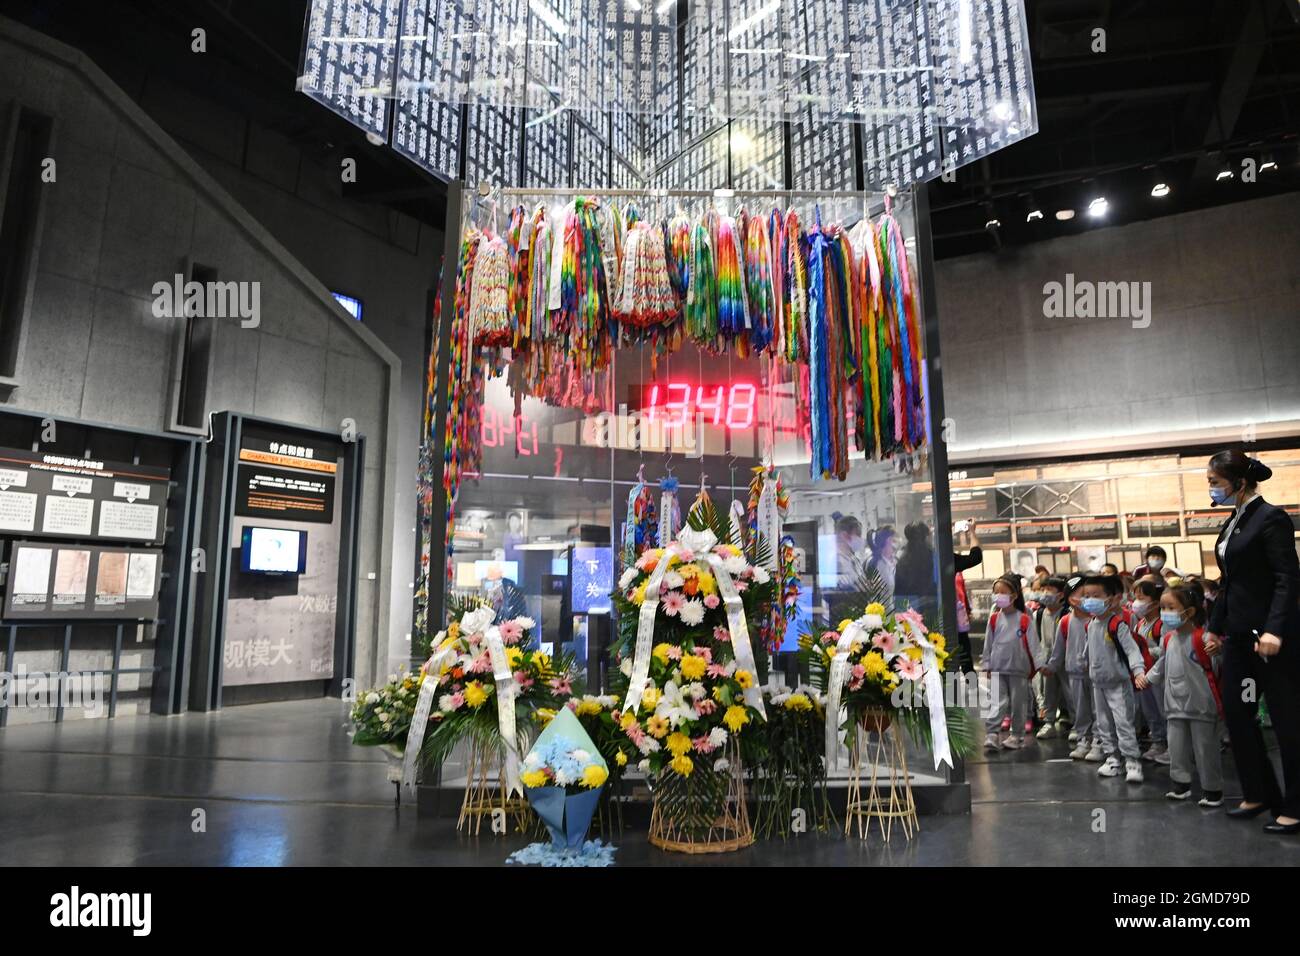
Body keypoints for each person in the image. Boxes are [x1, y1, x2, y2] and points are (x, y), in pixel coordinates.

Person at [1203, 449, 1300, 834]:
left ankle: (1295, 805)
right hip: (1241, 641)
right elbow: (1230, 583)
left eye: (1215, 482)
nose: (1211, 489)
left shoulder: (1270, 518)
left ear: (1239, 483)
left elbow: (1287, 578)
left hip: (1273, 641)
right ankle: (1258, 792)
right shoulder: (1232, 523)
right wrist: (1214, 625)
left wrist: (1276, 628)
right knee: (1240, 714)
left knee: (1287, 722)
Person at [1147, 582, 1223, 807]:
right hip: (1174, 705)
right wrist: (1147, 678)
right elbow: (1162, 663)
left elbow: (1217, 668)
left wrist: (1218, 651)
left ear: (1189, 612)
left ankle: (1212, 789)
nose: (1165, 613)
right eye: (1162, 608)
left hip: (1201, 705)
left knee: (1205, 749)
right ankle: (1180, 784)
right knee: (1177, 748)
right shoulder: (1169, 638)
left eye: (1170, 607)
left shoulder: (1204, 638)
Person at [1079, 574, 1148, 783]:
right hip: (1098, 683)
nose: (1090, 599)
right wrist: (1084, 662)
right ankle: (1112, 759)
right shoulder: (1091, 624)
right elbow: (1088, 649)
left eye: (1096, 595)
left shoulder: (1117, 624)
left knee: (1123, 723)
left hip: (1118, 684)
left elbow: (1132, 651)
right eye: (1087, 595)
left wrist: (1138, 671)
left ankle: (1132, 762)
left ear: (1111, 598)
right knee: (1103, 723)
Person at [1043, 575, 1102, 760]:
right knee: (1080, 710)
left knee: (1097, 710)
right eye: (1083, 594)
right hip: (1074, 674)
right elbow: (1058, 649)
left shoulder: (1097, 620)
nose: (1087, 598)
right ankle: (1084, 740)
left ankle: (1099, 743)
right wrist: (1052, 666)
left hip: (1096, 674)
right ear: (1070, 598)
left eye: (1090, 594)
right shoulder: (1066, 621)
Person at [981, 574, 1042, 751]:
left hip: (1019, 670)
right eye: (996, 592)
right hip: (998, 668)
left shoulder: (1024, 619)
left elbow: (1034, 645)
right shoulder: (994, 619)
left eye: (1003, 592)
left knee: (1018, 703)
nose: (998, 595)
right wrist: (986, 664)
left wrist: (1040, 665)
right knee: (997, 701)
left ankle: (1017, 735)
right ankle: (992, 733)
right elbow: (988, 644)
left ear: (1014, 595)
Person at [1130, 579, 1169, 764]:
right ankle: (1158, 741)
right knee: (1150, 711)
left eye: (1141, 598)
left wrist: (1146, 652)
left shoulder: (1161, 624)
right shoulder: (1140, 624)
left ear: (1154, 601)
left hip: (1160, 676)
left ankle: (1171, 745)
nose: (1136, 602)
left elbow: (1165, 650)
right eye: (1135, 597)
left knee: (1164, 710)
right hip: (1144, 676)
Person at [1034, 576, 1073, 738]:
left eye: (1050, 590)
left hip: (1065, 660)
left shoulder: (1067, 614)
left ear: (1061, 595)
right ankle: (1048, 722)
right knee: (1048, 692)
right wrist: (1041, 662)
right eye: (1043, 590)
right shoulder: (1040, 614)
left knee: (1070, 693)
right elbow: (1038, 639)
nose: (1045, 593)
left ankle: (1077, 723)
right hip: (1046, 660)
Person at [953, 523, 983, 674]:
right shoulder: (947, 561)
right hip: (950, 617)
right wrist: (972, 531)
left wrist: (967, 609)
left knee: (965, 652)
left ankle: (971, 685)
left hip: (959, 616)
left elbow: (961, 591)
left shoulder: (957, 570)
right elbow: (975, 557)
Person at [894, 522, 937, 619]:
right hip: (929, 607)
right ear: (926, 537)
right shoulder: (932, 556)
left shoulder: (901, 556)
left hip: (907, 610)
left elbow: (898, 589)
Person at [866, 527, 898, 604]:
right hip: (878, 611)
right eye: (893, 540)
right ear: (887, 541)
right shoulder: (875, 564)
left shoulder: (889, 562)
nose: (895, 543)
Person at [834, 515, 867, 589]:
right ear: (844, 535)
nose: (860, 539)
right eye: (858, 534)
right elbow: (840, 592)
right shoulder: (836, 562)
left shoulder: (854, 559)